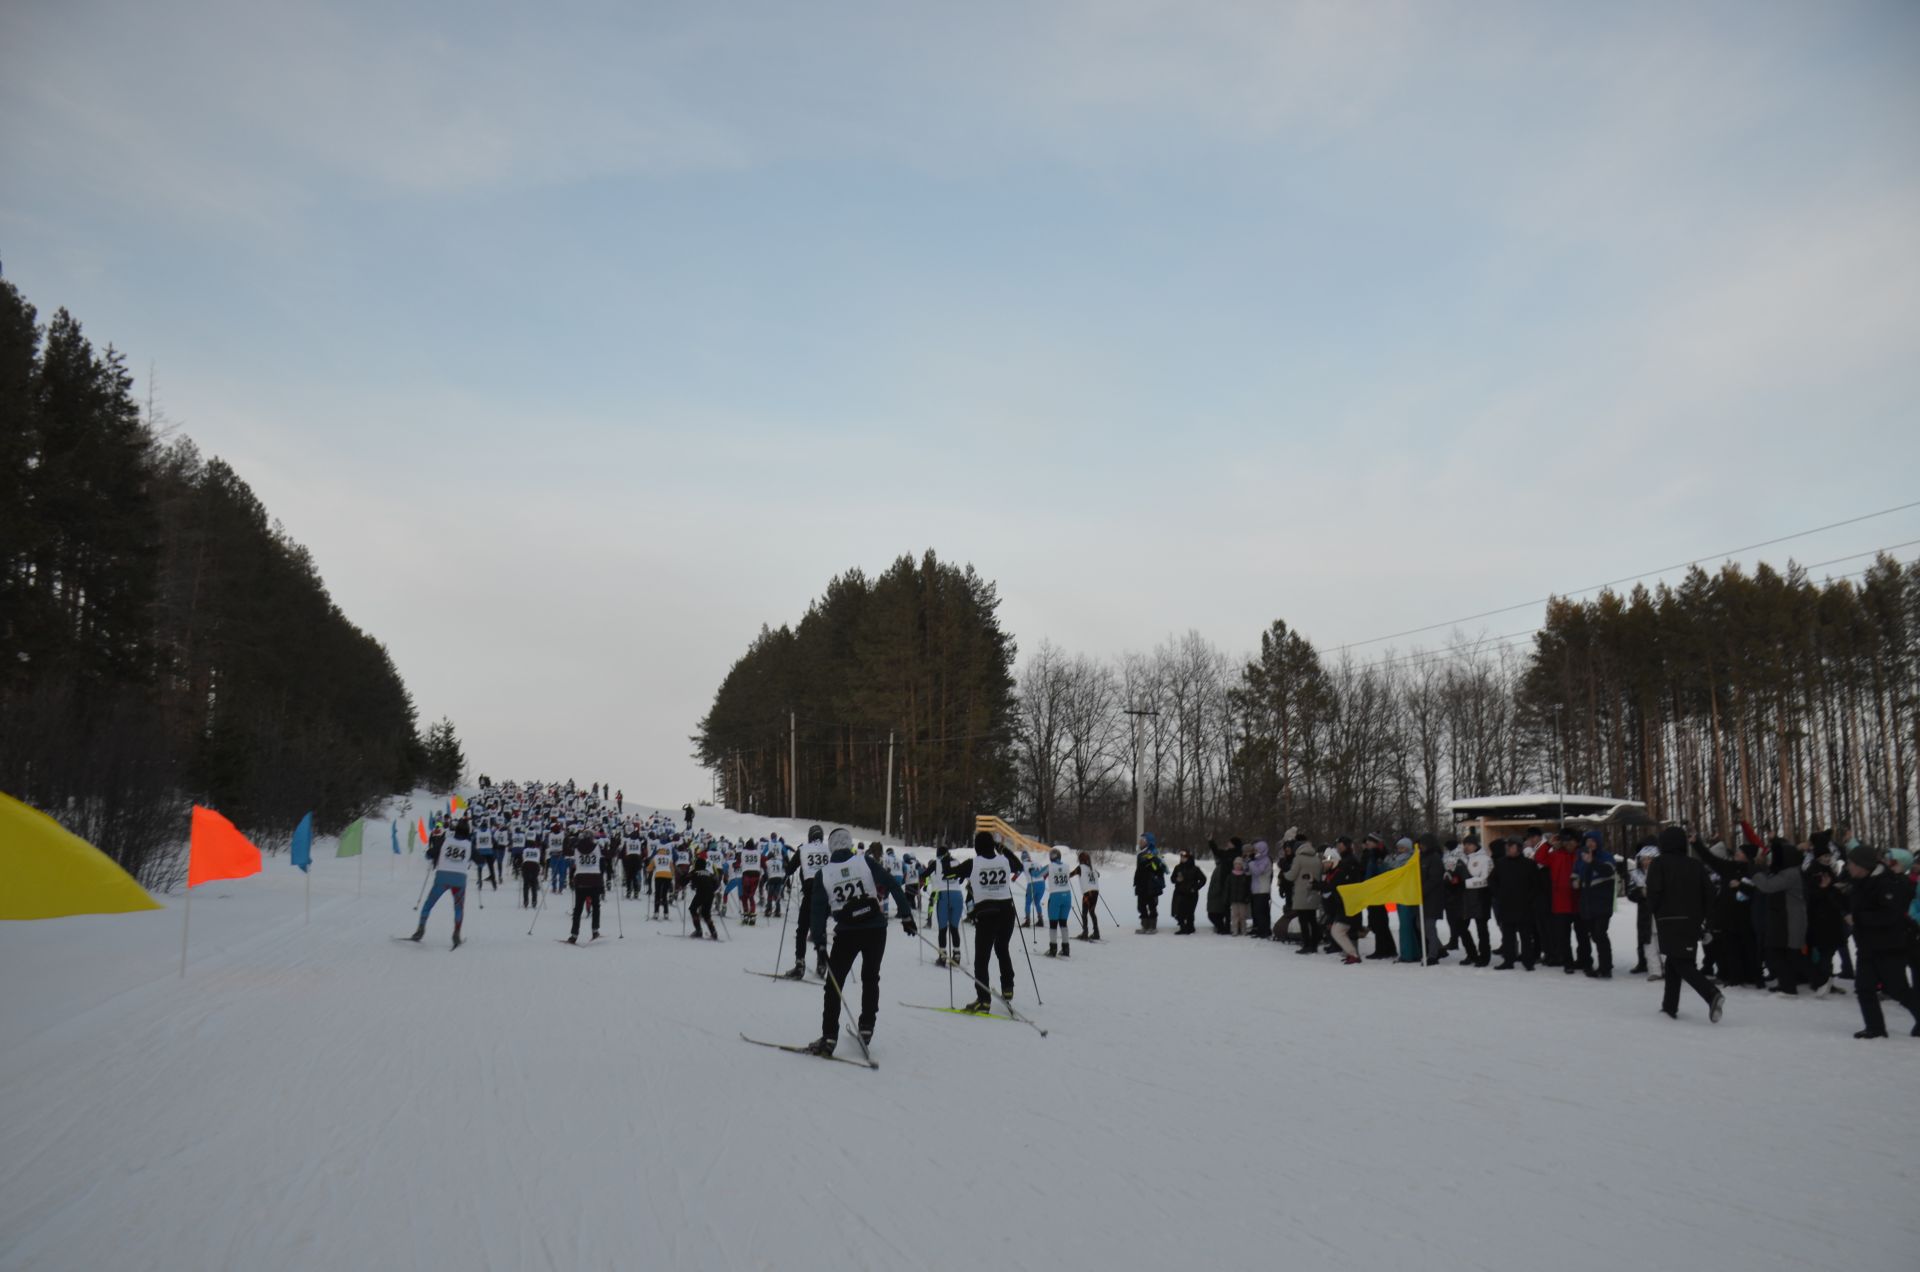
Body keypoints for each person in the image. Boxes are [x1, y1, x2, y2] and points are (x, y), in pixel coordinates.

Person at [801, 828, 917, 1056]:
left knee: (834, 984)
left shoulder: (823, 874)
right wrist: (906, 915)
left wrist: (820, 942)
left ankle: (829, 1037)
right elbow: (893, 885)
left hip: (847, 932)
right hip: (875, 928)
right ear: (849, 844)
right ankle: (866, 1026)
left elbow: (816, 911)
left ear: (831, 847)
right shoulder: (865, 862)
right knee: (870, 977)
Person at [1647, 825, 1723, 1022]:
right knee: (1676, 961)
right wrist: (1706, 919)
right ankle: (1669, 1006)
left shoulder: (1659, 863)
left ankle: (1711, 994)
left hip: (1668, 920)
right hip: (1691, 921)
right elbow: (1709, 893)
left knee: (1681, 962)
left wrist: (1652, 908)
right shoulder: (1695, 865)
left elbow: (1654, 891)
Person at [1843, 844, 1920, 1039]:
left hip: (1889, 946)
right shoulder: (1858, 881)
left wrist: (1858, 918)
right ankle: (1875, 1028)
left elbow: (1889, 916)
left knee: (1898, 989)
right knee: (1863, 987)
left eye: (1851, 863)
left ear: (1863, 865)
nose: (1848, 867)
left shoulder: (1887, 883)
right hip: (1867, 946)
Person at [959, 831, 1021, 1011]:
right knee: (1002, 948)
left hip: (987, 913)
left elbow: (949, 874)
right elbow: (1019, 866)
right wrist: (1003, 849)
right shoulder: (1004, 860)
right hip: (1007, 912)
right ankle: (1008, 987)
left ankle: (983, 999)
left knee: (982, 959)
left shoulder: (973, 863)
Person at [409, 816, 474, 947]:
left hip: (442, 877)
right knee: (458, 908)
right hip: (459, 880)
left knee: (429, 903)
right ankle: (456, 933)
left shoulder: (445, 841)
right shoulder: (469, 845)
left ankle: (420, 929)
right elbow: (481, 861)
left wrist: (433, 855)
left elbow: (429, 854)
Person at [785, 826, 832, 980]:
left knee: (802, 930)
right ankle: (822, 962)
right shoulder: (829, 849)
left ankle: (800, 965)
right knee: (820, 929)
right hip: (826, 893)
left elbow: (789, 869)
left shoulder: (803, 849)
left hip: (811, 891)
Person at [1571, 832, 1616, 978]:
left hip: (1603, 902)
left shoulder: (1606, 856)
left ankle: (1605, 967)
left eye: (1593, 841)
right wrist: (1575, 881)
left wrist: (1592, 862)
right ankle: (1591, 963)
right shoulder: (1581, 857)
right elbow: (1575, 872)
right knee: (1593, 935)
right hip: (1587, 903)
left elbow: (1608, 871)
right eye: (1587, 841)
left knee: (1600, 934)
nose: (1590, 844)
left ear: (1598, 842)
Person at [1491, 839, 1537, 970]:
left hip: (1524, 905)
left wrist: (1529, 898)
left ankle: (1528, 961)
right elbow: (1492, 880)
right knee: (1508, 935)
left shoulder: (1529, 864)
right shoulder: (1501, 863)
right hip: (1507, 904)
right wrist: (1499, 895)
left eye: (1511, 846)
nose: (1509, 848)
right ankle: (1508, 960)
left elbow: (1536, 884)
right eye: (1508, 846)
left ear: (1519, 848)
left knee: (1526, 935)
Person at [1322, 844, 1363, 963]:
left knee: (1338, 931)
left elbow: (1331, 887)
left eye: (1326, 861)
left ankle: (1353, 954)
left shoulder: (1339, 872)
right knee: (1337, 930)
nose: (1324, 864)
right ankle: (1352, 953)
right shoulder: (1334, 873)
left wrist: (1316, 885)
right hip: (1342, 907)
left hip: (1347, 906)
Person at [1358, 834, 1397, 959]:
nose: (1367, 843)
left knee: (1378, 921)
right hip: (1372, 890)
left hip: (1377, 891)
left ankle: (1381, 949)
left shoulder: (1378, 855)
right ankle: (1390, 948)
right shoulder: (1372, 854)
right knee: (1379, 921)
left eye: (1370, 841)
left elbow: (1380, 872)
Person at [928, 846, 967, 967]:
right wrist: (959, 880)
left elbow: (924, 874)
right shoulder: (956, 861)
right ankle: (957, 955)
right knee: (954, 928)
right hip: (958, 896)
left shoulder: (936, 863)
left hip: (943, 896)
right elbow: (963, 874)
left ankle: (942, 956)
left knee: (943, 928)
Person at [565, 829, 605, 943]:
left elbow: (566, 852)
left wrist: (568, 841)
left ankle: (574, 935)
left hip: (581, 880)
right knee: (596, 906)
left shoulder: (577, 848)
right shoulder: (597, 847)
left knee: (578, 909)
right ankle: (595, 930)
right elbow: (607, 856)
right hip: (594, 879)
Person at [1460, 836, 1492, 967]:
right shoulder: (1462, 859)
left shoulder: (1485, 859)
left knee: (1481, 929)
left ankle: (1484, 957)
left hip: (1480, 897)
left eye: (1469, 844)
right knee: (1461, 927)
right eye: (1464, 844)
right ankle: (1471, 954)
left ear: (1475, 845)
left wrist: (1465, 883)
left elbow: (1486, 879)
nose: (1466, 847)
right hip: (1464, 898)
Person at [1289, 834, 1322, 955]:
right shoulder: (1316, 857)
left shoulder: (1298, 858)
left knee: (1303, 921)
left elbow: (1292, 875)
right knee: (1313, 920)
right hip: (1313, 892)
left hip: (1301, 893)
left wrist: (1284, 875)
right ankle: (1314, 945)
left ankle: (1306, 944)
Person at [1044, 846, 1074, 957]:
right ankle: (1066, 949)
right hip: (1067, 896)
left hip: (1055, 897)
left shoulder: (1049, 866)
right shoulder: (1066, 866)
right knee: (1063, 923)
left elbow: (1037, 875)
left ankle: (1053, 949)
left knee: (1053, 924)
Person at [1134, 834, 1167, 933]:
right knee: (1141, 906)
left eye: (1143, 840)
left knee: (1152, 905)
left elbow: (1160, 869)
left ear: (1149, 842)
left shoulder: (1155, 853)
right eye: (1140, 840)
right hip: (1141, 884)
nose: (1140, 841)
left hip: (1151, 885)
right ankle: (1145, 925)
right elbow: (1139, 870)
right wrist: (1136, 882)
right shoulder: (1140, 854)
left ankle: (1152, 926)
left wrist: (1153, 861)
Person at [1169, 849, 1205, 935]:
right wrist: (1177, 880)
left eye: (1184, 857)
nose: (1182, 858)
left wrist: (1195, 888)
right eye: (1181, 857)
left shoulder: (1195, 869)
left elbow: (1203, 879)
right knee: (1178, 911)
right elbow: (1172, 879)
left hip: (1191, 894)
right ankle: (1182, 927)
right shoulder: (1178, 867)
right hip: (1179, 893)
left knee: (1190, 912)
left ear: (1189, 858)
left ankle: (1190, 927)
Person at [1245, 840, 1273, 938]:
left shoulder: (1266, 860)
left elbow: (1258, 872)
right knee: (1258, 911)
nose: (1255, 852)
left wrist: (1251, 863)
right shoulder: (1256, 860)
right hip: (1256, 889)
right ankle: (1260, 929)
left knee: (1261, 912)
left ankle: (1264, 931)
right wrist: (1248, 863)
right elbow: (1248, 872)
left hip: (1263, 889)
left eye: (1256, 850)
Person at [1072, 850, 1103, 940]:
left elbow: (1071, 874)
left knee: (1084, 913)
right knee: (1092, 912)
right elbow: (1098, 875)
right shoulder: (1093, 868)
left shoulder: (1080, 868)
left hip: (1087, 893)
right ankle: (1096, 933)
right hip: (1095, 892)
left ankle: (1085, 932)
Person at [738, 838, 763, 925]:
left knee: (745, 896)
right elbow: (763, 862)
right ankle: (752, 916)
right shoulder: (758, 852)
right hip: (756, 874)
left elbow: (738, 862)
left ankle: (745, 914)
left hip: (747, 874)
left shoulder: (743, 852)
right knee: (751, 896)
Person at [650, 839, 676, 919]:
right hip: (668, 876)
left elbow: (649, 868)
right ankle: (666, 913)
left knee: (657, 894)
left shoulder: (656, 857)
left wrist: (649, 870)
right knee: (664, 895)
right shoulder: (669, 857)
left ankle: (656, 913)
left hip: (658, 876)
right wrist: (672, 875)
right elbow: (672, 869)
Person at [1227, 854, 1252, 935]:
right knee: (1234, 916)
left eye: (1239, 864)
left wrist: (1247, 897)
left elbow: (1248, 888)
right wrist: (1227, 897)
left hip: (1242, 900)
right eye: (1236, 864)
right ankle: (1235, 930)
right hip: (1233, 899)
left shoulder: (1245, 876)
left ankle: (1243, 930)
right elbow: (1228, 887)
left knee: (1242, 916)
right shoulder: (1230, 875)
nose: (1238, 866)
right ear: (1234, 865)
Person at [518, 830, 543, 909]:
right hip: (535, 866)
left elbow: (521, 859)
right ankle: (534, 901)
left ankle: (526, 901)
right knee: (534, 884)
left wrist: (520, 866)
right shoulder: (537, 850)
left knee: (526, 884)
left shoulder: (525, 850)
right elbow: (541, 859)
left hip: (526, 866)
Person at [1021, 851, 1047, 928]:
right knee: (1037, 902)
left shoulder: (1023, 865)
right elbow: (1044, 872)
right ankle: (1040, 920)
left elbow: (1017, 873)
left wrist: (1013, 879)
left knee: (1028, 903)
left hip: (1032, 884)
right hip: (1042, 884)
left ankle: (1027, 921)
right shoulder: (1037, 863)